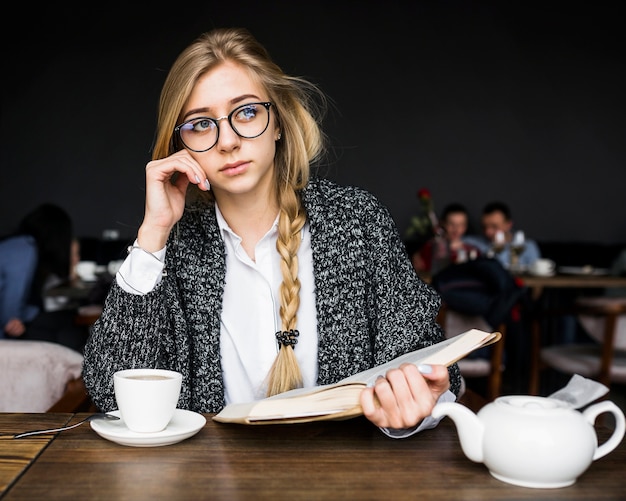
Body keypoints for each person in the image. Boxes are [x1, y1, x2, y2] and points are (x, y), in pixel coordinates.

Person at [82, 27, 461, 437]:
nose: (227, 141)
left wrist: (416, 404)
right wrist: (152, 234)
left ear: (277, 121)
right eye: (200, 124)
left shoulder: (358, 220)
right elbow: (110, 390)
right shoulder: (170, 247)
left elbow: (433, 370)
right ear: (181, 145)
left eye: (246, 112)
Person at [0, 203, 88, 352]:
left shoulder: (19, 245)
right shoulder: (24, 249)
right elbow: (11, 313)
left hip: (12, 322)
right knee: (69, 329)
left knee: (67, 324)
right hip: (7, 329)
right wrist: (20, 317)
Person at [464, 201, 541, 269]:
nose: (488, 232)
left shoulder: (528, 247)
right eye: (484, 227)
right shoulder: (474, 243)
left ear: (509, 225)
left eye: (494, 227)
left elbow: (537, 279)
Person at [412, 203, 480, 274]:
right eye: (451, 224)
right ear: (443, 223)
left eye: (461, 225)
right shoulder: (430, 247)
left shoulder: (473, 251)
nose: (456, 229)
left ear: (466, 226)